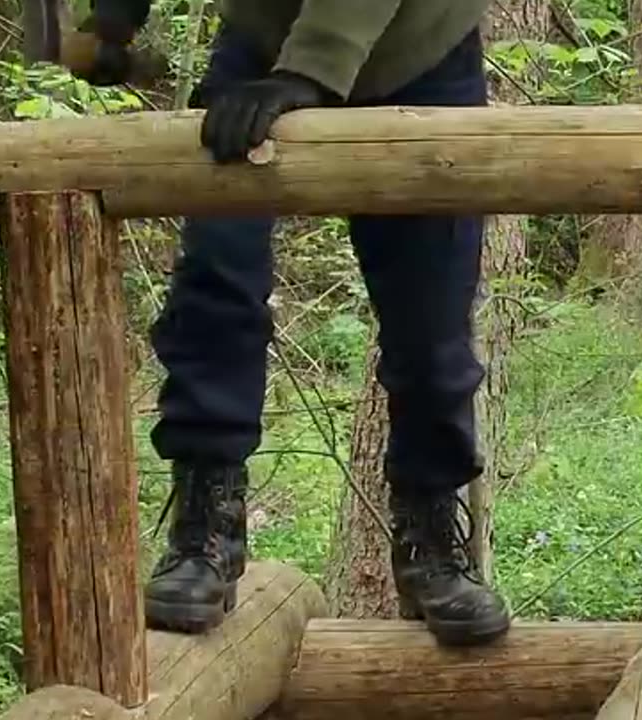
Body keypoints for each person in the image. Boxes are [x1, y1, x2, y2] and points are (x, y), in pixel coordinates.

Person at [80, 0, 509, 647]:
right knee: (216, 278)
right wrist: (112, 21)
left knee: (430, 320)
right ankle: (206, 534)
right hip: (262, 39)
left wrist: (308, 73)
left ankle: (431, 541)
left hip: (419, 46)